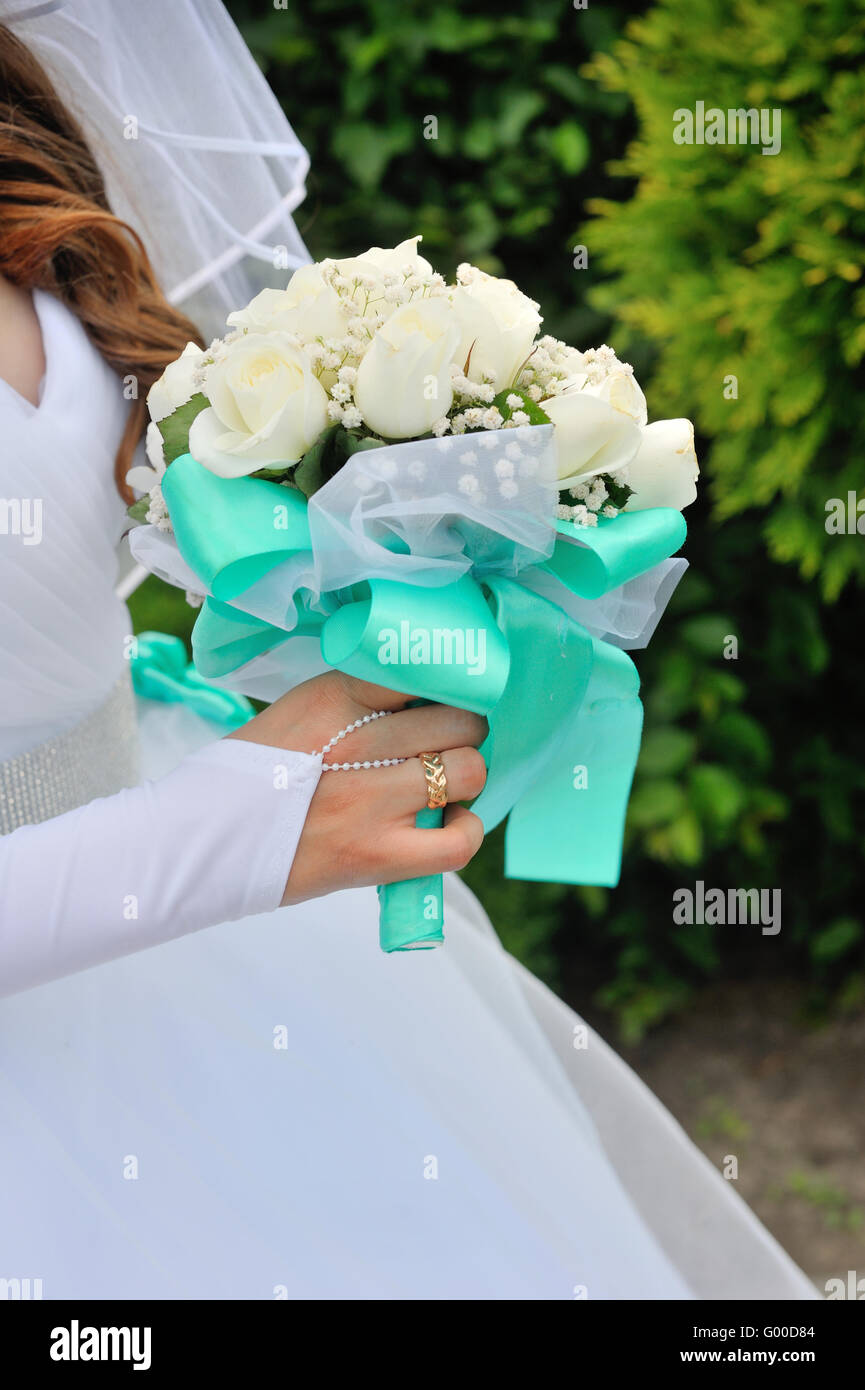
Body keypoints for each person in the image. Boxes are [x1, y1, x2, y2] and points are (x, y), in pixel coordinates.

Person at [0, 0, 816, 1300]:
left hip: (201, 930)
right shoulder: (227, 827)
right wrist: (237, 824)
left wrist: (420, 550)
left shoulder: (27, 116)